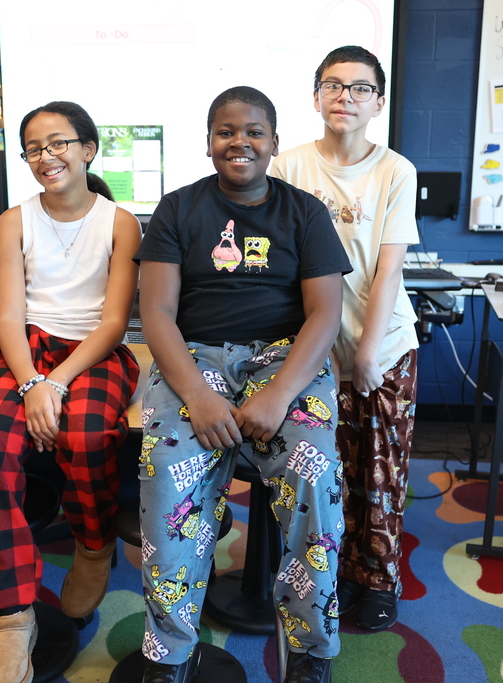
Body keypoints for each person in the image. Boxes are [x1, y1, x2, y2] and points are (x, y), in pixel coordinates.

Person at [135, 86, 351, 683]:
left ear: (274, 143)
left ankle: (310, 650)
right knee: (166, 478)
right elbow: (156, 313)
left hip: (285, 361)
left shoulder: (305, 212)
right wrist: (200, 397)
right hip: (195, 358)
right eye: (226, 131)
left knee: (313, 473)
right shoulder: (178, 210)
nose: (241, 142)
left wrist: (280, 393)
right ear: (208, 143)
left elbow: (325, 316)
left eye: (254, 131)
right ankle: (170, 654)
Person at [0, 101, 141, 683]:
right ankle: (10, 613)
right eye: (35, 148)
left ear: (88, 149)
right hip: (26, 349)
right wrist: (30, 382)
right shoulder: (12, 220)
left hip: (93, 352)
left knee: (89, 434)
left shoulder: (120, 222)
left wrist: (56, 382)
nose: (47, 156)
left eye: (59, 143)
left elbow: (114, 322)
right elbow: (11, 316)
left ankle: (92, 548)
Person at [270, 45, 419, 632]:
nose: (346, 98)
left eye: (360, 88)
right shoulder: (289, 166)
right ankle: (330, 577)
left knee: (380, 473)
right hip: (311, 350)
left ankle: (378, 580)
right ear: (315, 97)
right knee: (327, 472)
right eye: (334, 86)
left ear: (378, 102)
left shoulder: (394, 171)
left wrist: (363, 354)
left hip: (380, 347)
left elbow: (388, 272)